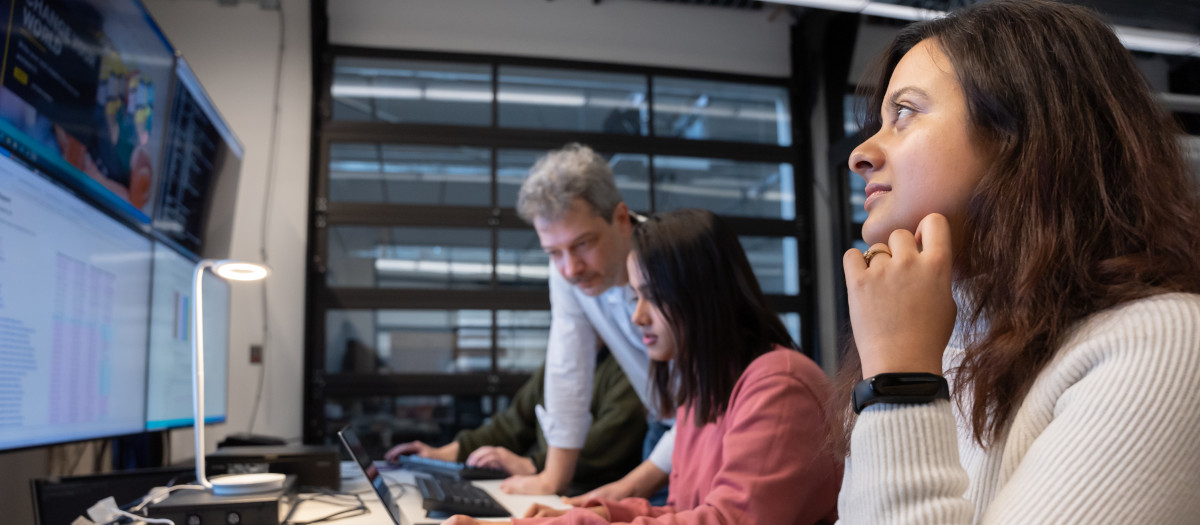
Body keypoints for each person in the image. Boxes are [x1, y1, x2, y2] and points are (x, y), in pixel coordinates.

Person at [833, 0, 1200, 523]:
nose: (861, 153)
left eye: (905, 114)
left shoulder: (1163, 341)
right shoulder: (935, 347)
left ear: (1020, 136)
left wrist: (901, 384)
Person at [444, 208, 841, 525]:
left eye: (651, 297)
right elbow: (687, 512)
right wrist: (595, 512)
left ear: (699, 296)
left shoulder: (778, 385)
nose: (636, 318)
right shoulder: (703, 390)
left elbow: (724, 520)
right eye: (635, 296)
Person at [497, 144, 675, 500]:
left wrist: (618, 494)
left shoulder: (673, 261)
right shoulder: (565, 270)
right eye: (554, 253)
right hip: (663, 424)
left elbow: (705, 403)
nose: (570, 269)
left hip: (718, 424)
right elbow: (568, 369)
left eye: (583, 244)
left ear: (621, 219)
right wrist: (552, 481)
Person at [383, 348, 646, 493]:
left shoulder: (628, 366)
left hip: (586, 493)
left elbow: (607, 442)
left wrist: (530, 464)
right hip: (549, 485)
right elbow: (512, 423)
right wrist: (440, 454)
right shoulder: (562, 360)